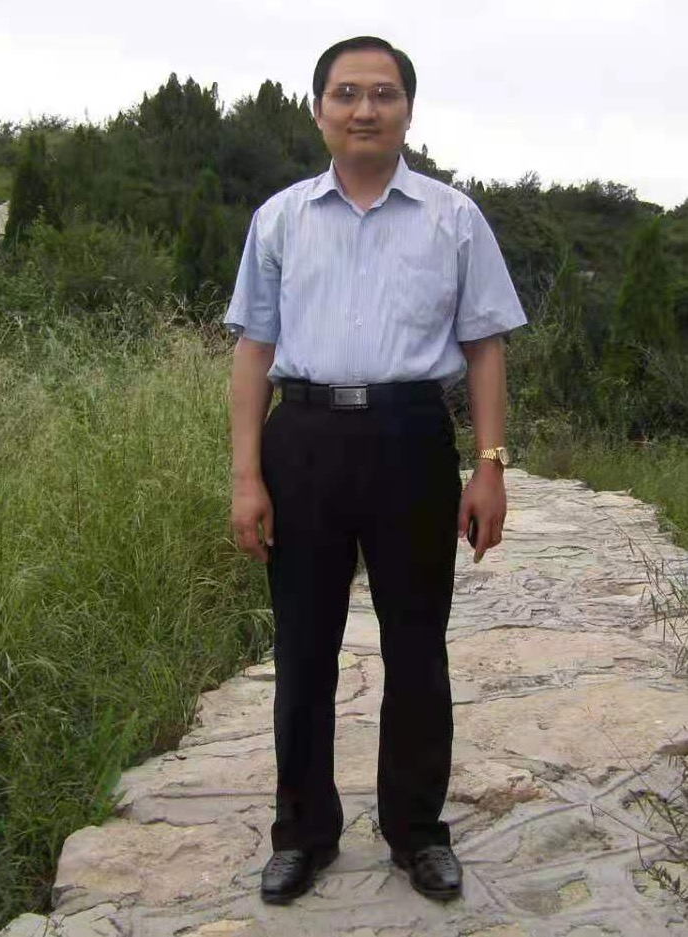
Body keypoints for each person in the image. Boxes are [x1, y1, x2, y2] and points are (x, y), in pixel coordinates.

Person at [225, 35, 527, 906]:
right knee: (303, 649)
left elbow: (483, 346)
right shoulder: (280, 218)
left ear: (407, 110)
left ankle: (416, 832)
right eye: (347, 93)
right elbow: (253, 350)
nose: (365, 109)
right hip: (303, 439)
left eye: (384, 93)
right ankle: (302, 834)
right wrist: (246, 475)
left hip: (410, 440)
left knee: (416, 646)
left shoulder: (452, 218)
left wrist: (489, 466)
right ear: (318, 108)